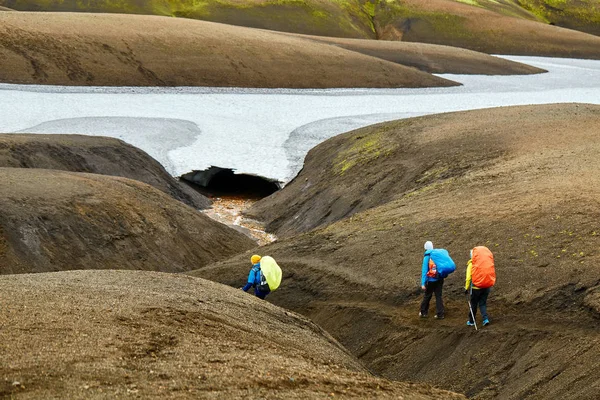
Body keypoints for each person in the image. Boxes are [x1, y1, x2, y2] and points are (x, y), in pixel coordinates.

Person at [465, 249, 491, 326]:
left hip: (476, 288)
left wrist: (466, 288)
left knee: (473, 304)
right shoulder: (484, 263)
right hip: (486, 286)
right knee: (482, 303)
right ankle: (485, 319)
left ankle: (472, 321)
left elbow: (468, 278)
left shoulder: (471, 264)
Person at [419, 241, 444, 319]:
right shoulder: (437, 254)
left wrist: (423, 283)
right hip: (440, 279)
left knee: (427, 295)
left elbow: (424, 270)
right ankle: (440, 314)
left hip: (431, 280)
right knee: (438, 296)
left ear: (425, 248)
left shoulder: (427, 256)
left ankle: (423, 312)